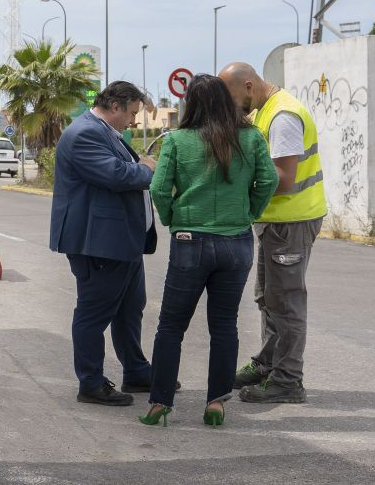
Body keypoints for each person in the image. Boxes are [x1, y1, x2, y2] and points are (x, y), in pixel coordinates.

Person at [139, 74, 278, 428]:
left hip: (190, 240)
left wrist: (173, 219)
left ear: (191, 104)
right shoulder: (250, 137)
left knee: (171, 325)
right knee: (225, 324)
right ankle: (216, 402)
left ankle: (159, 403)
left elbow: (158, 189)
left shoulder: (177, 140)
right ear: (226, 101)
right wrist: (249, 213)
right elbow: (269, 180)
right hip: (236, 241)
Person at [219, 62, 326, 404]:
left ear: (248, 86)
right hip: (276, 221)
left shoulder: (283, 117)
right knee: (269, 299)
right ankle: (268, 364)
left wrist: (237, 184)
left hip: (291, 221)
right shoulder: (263, 111)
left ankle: (288, 380)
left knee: (287, 302)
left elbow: (284, 179)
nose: (231, 105)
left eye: (231, 97)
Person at [49, 81, 158, 406]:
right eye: (132, 113)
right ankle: (91, 383)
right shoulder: (84, 133)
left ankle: (136, 371)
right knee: (94, 313)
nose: (133, 122)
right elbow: (117, 175)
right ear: (115, 106)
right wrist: (146, 168)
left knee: (130, 309)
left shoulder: (105, 131)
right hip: (99, 243)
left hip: (122, 240)